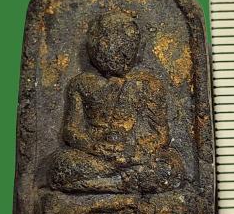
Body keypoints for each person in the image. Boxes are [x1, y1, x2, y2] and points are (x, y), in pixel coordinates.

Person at [48, 11, 185, 194]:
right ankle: (120, 183)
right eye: (109, 43)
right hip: (97, 156)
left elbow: (161, 136)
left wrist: (134, 152)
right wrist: (94, 147)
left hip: (134, 155)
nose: (122, 53)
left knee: (170, 167)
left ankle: (105, 184)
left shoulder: (148, 84)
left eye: (128, 46)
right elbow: (71, 130)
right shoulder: (81, 83)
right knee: (61, 165)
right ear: (94, 46)